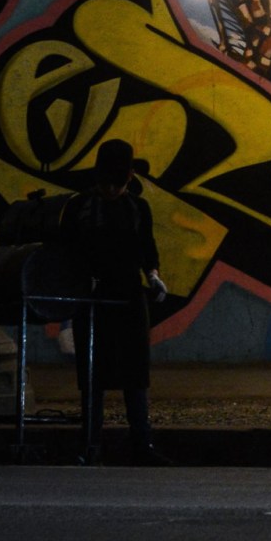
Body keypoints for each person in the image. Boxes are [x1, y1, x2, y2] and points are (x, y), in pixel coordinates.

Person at [58, 138, 169, 463]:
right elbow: (69, 250)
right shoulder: (82, 208)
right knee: (93, 374)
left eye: (116, 184)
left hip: (127, 295)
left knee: (135, 373)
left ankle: (140, 443)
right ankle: (91, 444)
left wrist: (152, 274)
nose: (111, 190)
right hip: (92, 297)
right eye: (107, 184)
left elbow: (146, 248)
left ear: (128, 178)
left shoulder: (135, 208)